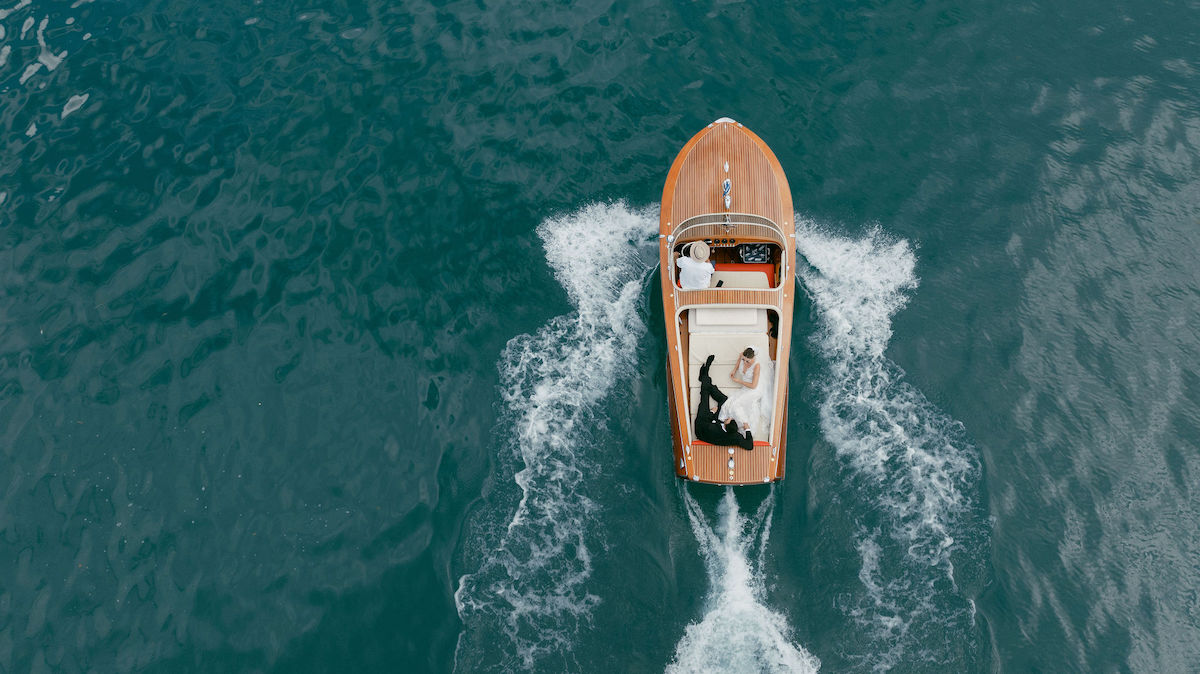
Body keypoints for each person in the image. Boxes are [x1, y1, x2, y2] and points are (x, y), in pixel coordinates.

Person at [693, 355, 754, 451]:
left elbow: (709, 423)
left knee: (704, 398)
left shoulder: (713, 429)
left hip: (702, 426)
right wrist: (747, 429)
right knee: (724, 401)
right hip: (714, 425)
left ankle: (705, 375)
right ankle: (706, 381)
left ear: (725, 424)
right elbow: (749, 446)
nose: (729, 417)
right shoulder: (735, 437)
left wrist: (712, 412)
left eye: (728, 419)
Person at [718, 346, 773, 436]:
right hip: (746, 387)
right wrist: (734, 370)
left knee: (736, 404)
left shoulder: (757, 366)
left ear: (753, 358)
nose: (745, 362)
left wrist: (738, 381)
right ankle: (731, 421)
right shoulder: (743, 356)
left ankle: (743, 426)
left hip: (754, 390)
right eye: (744, 360)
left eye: (748, 361)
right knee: (732, 402)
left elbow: (753, 385)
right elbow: (739, 360)